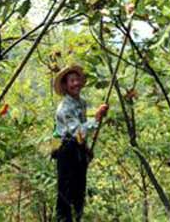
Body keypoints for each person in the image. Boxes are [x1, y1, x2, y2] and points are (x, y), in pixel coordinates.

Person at [53, 65, 109, 222]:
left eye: (77, 79)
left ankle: (78, 217)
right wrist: (97, 118)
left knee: (79, 190)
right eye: (72, 80)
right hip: (66, 151)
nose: (76, 83)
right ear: (65, 85)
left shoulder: (81, 103)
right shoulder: (64, 108)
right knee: (66, 191)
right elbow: (78, 131)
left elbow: (81, 136)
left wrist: (86, 149)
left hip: (78, 150)